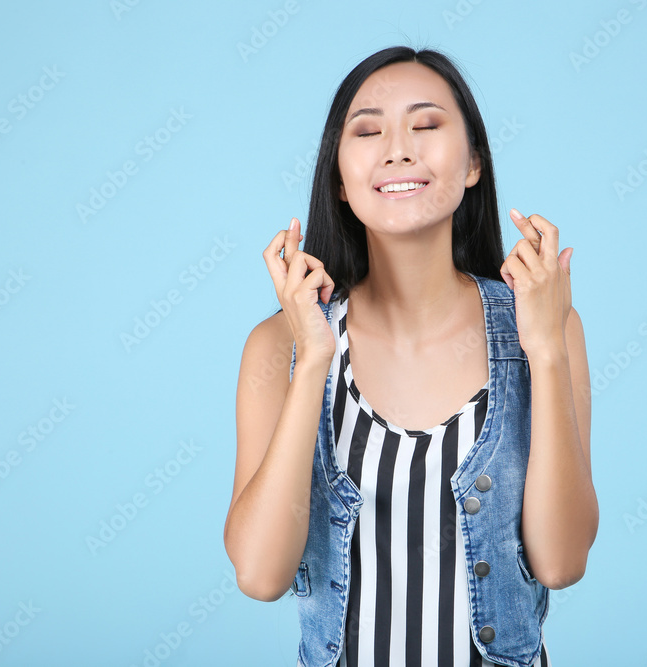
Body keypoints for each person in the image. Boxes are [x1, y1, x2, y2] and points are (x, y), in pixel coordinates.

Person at [224, 45, 597, 667]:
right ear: (340, 181)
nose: (398, 148)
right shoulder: (280, 346)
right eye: (368, 131)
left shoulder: (544, 325)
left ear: (474, 162)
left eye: (426, 125)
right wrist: (314, 356)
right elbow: (261, 575)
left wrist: (544, 351)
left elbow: (561, 562)